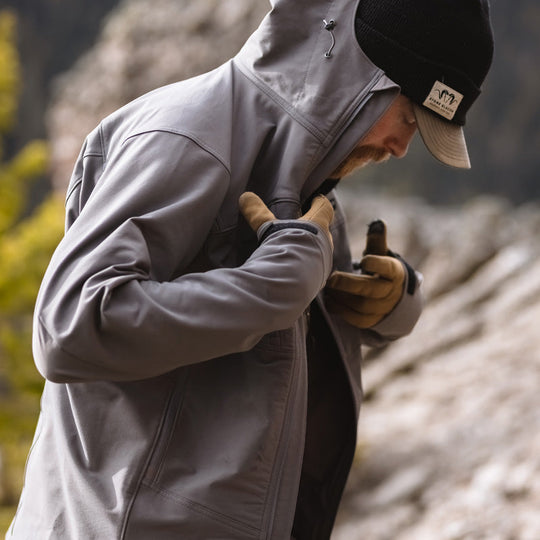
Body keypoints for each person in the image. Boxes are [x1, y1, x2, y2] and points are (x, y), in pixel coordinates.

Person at [8, 0, 493, 538]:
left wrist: (394, 300)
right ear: (358, 76)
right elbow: (70, 326)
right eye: (407, 116)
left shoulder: (305, 177)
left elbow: (291, 295)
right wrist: (278, 284)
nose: (403, 148)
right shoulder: (187, 138)